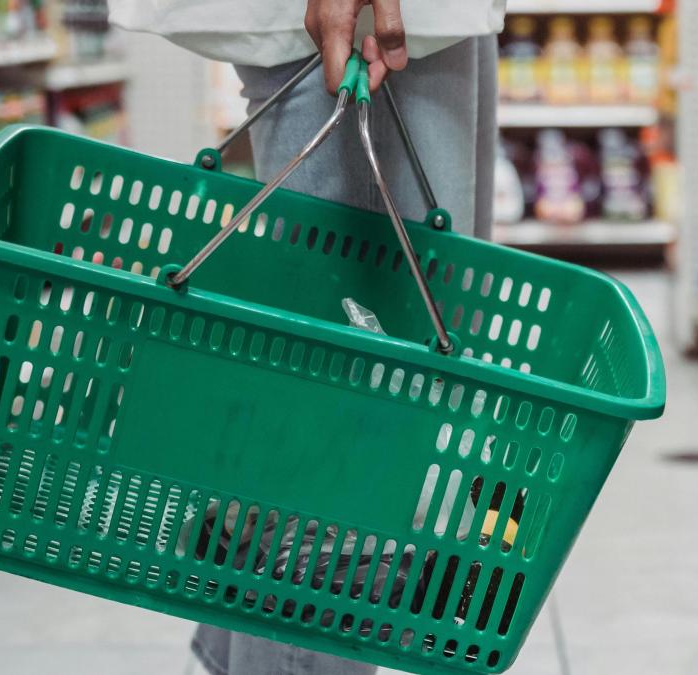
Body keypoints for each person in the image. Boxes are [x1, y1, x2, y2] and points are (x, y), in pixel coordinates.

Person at [107, 0, 504, 672]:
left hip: (422, 24)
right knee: (350, 464)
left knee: (351, 417)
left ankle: (249, 642)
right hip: (366, 23)